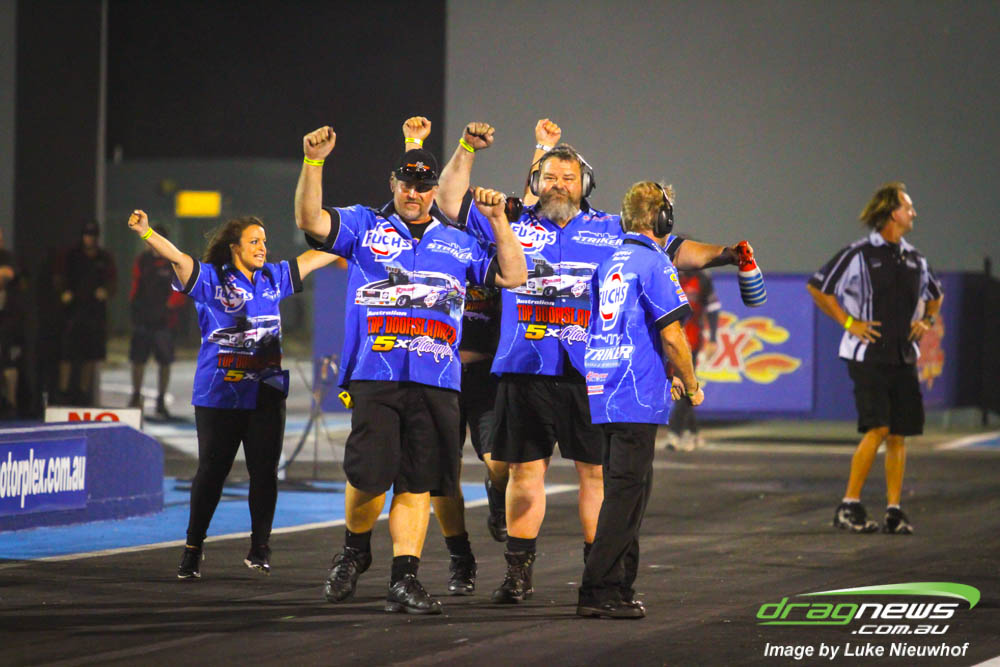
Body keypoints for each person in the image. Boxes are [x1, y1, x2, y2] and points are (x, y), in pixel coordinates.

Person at [434, 118, 749, 604]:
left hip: (591, 375)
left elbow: (674, 249)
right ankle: (518, 574)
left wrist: (727, 254)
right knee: (525, 473)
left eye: (569, 177)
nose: (559, 184)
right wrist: (466, 148)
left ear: (585, 185)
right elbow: (449, 201)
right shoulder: (509, 222)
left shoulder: (611, 228)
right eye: (550, 177)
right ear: (535, 181)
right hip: (524, 369)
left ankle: (596, 567)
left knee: (595, 475)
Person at [295, 124, 525, 615]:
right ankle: (354, 552)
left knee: (417, 482)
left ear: (434, 191)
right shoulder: (365, 226)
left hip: (437, 380)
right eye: (406, 184)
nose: (414, 193)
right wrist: (313, 163)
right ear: (393, 184)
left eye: (423, 186)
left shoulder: (459, 242)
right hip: (376, 373)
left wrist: (499, 223)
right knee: (368, 475)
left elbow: (514, 274)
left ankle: (404, 577)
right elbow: (310, 219)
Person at [126, 209, 338, 579]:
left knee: (265, 473)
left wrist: (355, 235)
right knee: (211, 472)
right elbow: (177, 257)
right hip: (219, 393)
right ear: (234, 247)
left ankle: (260, 547)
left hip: (267, 392)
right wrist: (146, 232)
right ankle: (193, 548)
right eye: (254, 241)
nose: (262, 247)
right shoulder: (210, 279)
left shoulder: (273, 277)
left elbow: (314, 258)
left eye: (264, 241)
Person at [578, 180, 704, 618]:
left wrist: (665, 374)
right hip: (634, 393)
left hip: (606, 388)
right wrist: (691, 383)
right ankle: (598, 591)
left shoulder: (609, 261)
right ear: (661, 219)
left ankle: (619, 586)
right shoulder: (655, 262)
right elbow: (673, 335)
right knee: (625, 497)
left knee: (626, 493)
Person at [400, 117, 508, 598]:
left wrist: (539, 148)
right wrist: (414, 144)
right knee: (442, 477)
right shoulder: (436, 236)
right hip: (440, 372)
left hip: (486, 374)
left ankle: (497, 493)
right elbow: (416, 192)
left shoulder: (496, 243)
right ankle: (460, 555)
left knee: (500, 462)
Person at [807, 182, 943, 535]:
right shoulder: (859, 254)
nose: (913, 213)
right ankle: (848, 505)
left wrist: (927, 321)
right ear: (891, 213)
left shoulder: (915, 259)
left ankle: (894, 511)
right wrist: (849, 323)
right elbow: (818, 287)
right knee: (878, 428)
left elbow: (936, 295)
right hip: (867, 355)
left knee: (898, 434)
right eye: (908, 207)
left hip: (903, 355)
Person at [53, 222, 117, 405]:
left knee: (90, 355)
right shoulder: (72, 256)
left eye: (93, 235)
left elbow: (112, 282)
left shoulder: (104, 258)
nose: (90, 239)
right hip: (72, 310)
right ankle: (63, 392)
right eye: (87, 235)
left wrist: (106, 291)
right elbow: (59, 277)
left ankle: (83, 392)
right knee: (67, 354)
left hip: (94, 312)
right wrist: (63, 292)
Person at [127, 225, 188, 418]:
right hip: (144, 318)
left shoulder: (173, 261)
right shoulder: (142, 261)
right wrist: (135, 308)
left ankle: (161, 399)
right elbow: (135, 286)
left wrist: (168, 308)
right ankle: (136, 396)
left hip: (164, 321)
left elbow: (181, 291)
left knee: (165, 361)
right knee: (138, 359)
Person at [667, 264, 720, 450]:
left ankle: (675, 432)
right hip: (668, 339)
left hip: (691, 342)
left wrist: (713, 338)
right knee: (679, 384)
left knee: (685, 383)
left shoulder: (702, 279)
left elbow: (713, 308)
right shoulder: (666, 274)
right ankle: (692, 431)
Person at [0, 229, 24, 417]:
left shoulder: (7, 257)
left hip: (6, 318)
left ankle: (11, 403)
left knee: (8, 361)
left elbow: (7, 275)